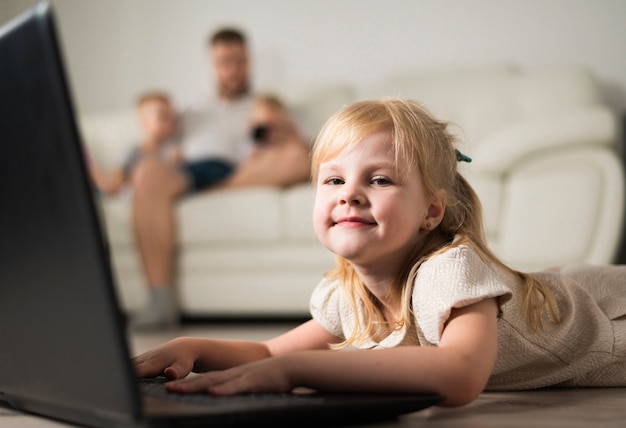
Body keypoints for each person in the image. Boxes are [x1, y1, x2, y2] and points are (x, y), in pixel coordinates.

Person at [133, 98, 626, 406]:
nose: (349, 193)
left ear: (430, 213)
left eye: (380, 179)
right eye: (333, 180)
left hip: (611, 318)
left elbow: (461, 374)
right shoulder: (347, 293)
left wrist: (297, 370)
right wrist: (193, 348)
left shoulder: (447, 270)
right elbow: (266, 352)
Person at [129, 27, 254, 330]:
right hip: (191, 171)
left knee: (293, 157)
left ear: (248, 61)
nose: (232, 69)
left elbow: (297, 154)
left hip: (238, 170)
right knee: (146, 175)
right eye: (224, 62)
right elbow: (161, 146)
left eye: (238, 61)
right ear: (212, 65)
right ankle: (160, 299)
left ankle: (218, 188)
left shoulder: (261, 106)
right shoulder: (190, 110)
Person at [88, 91, 180, 195]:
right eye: (163, 117)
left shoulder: (174, 149)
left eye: (173, 117)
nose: (170, 123)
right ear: (143, 121)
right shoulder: (133, 151)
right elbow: (118, 176)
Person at [218, 93, 311, 189]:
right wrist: (255, 153)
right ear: (252, 123)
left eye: (273, 126)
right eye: (261, 128)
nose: (267, 133)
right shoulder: (250, 143)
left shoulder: (292, 135)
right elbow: (243, 163)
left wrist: (293, 138)